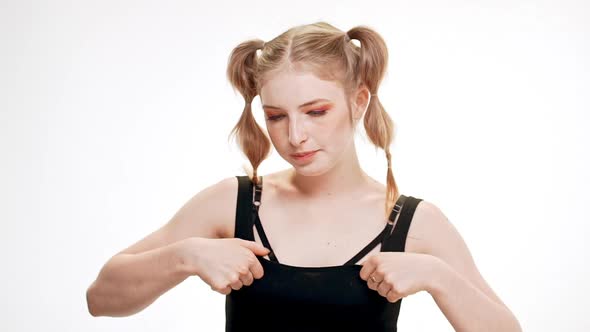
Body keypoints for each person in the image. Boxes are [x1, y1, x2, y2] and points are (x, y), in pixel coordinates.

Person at [86, 21, 522, 331]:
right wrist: (188, 256)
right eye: (275, 116)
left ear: (359, 101)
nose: (295, 136)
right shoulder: (234, 202)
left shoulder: (411, 222)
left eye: (316, 111)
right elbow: (100, 299)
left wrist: (437, 277)